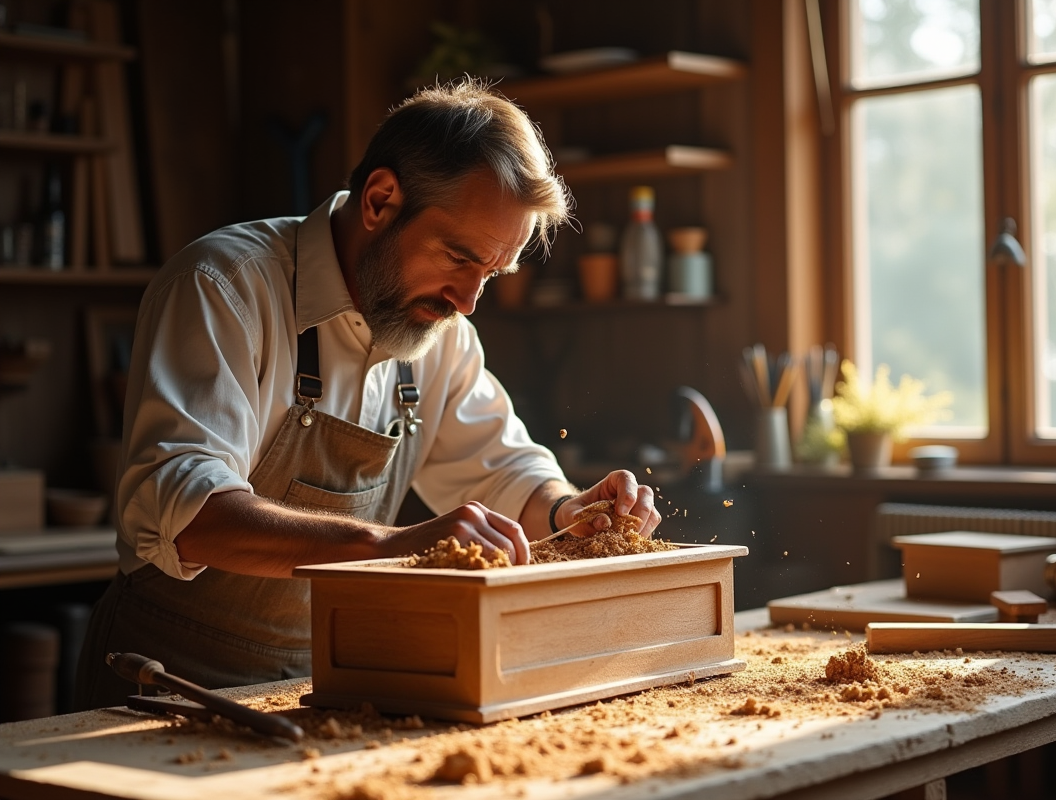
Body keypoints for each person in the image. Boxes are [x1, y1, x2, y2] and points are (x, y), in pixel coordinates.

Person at [75, 79, 661, 710]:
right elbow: (184, 509)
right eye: (459, 257)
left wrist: (567, 512)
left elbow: (505, 471)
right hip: (170, 679)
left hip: (324, 682)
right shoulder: (225, 286)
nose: (467, 302)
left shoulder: (441, 333)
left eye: (490, 274)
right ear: (381, 200)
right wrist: (386, 548)